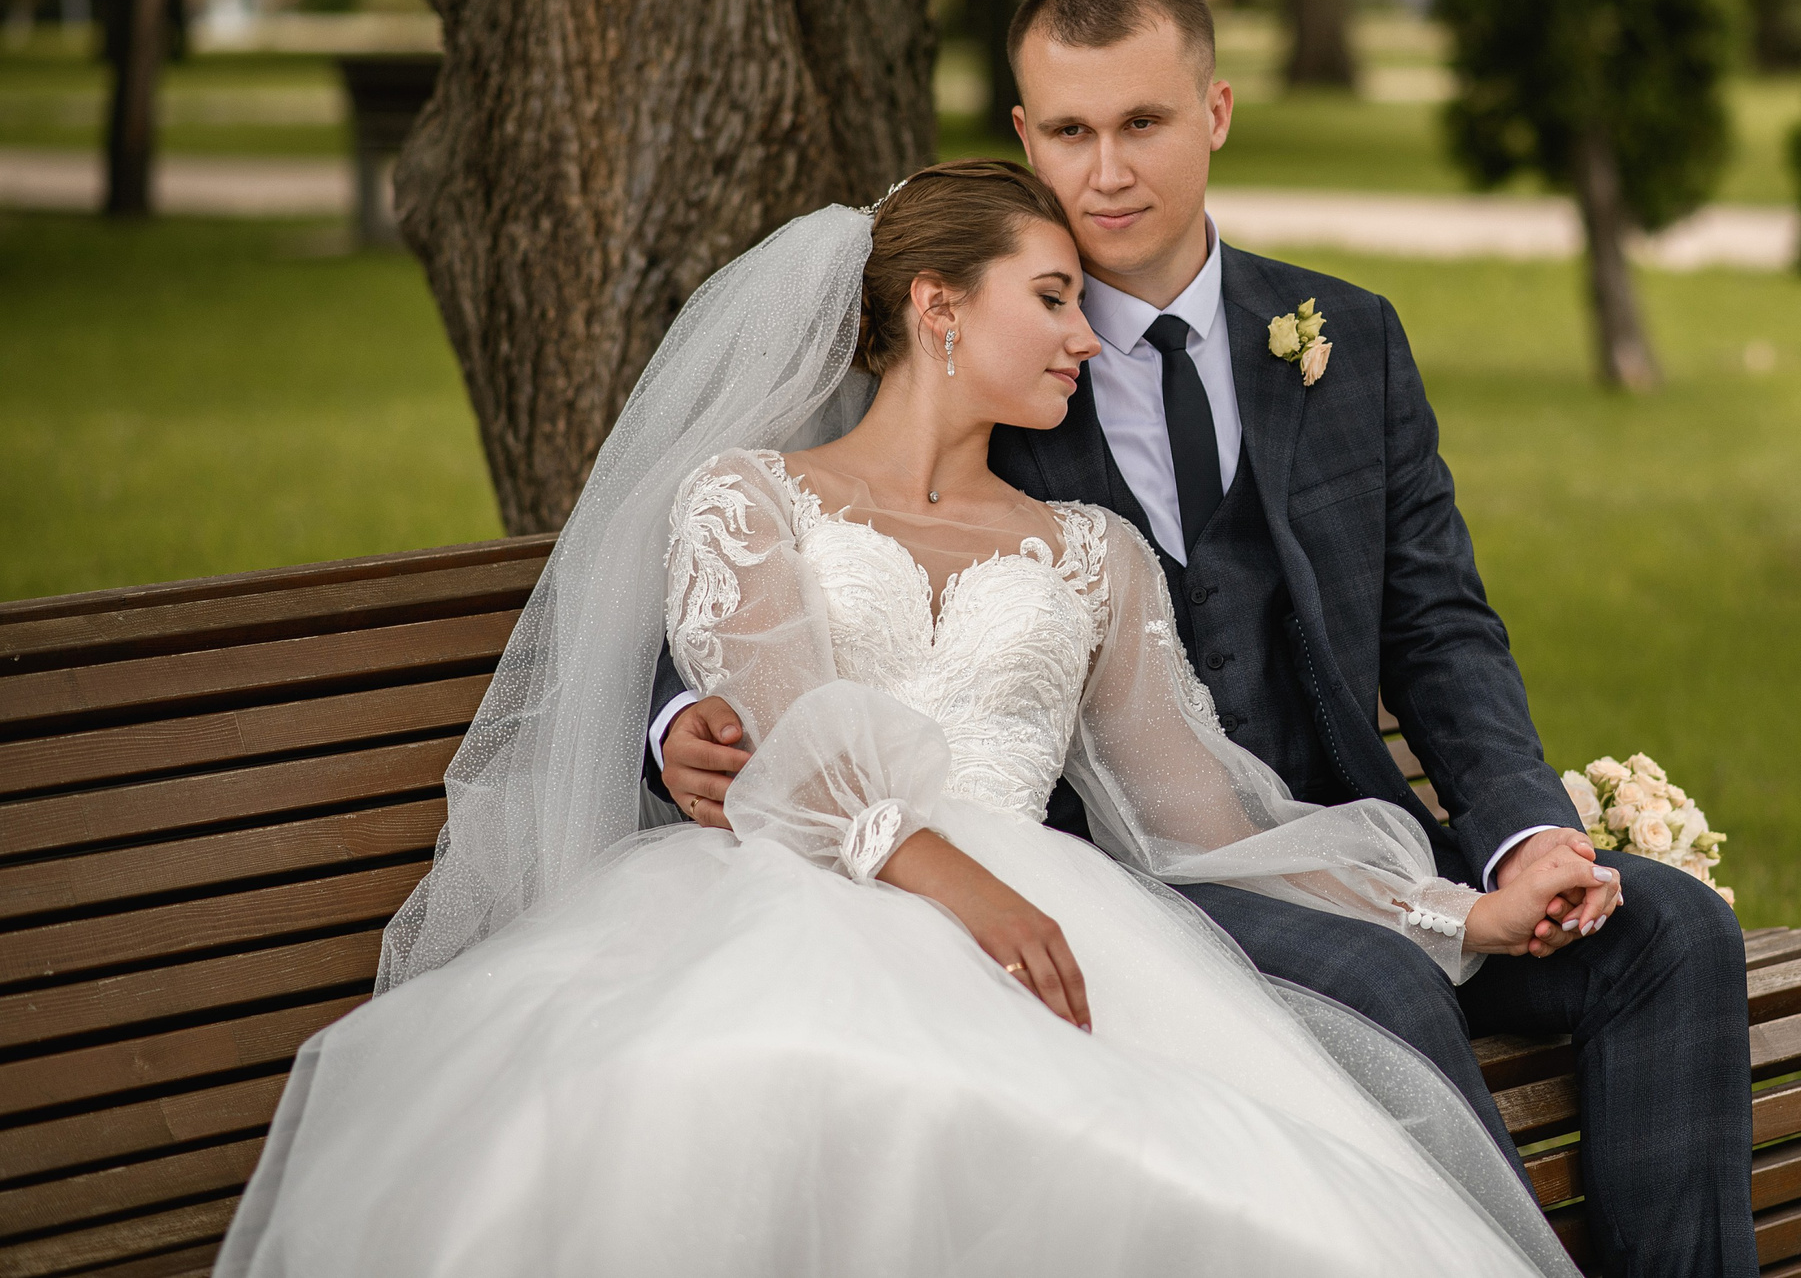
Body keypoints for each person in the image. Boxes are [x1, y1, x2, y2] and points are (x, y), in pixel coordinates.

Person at [217, 160, 1597, 1277]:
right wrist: (965, 891)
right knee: (758, 1093)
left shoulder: (1092, 555)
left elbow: (1207, 820)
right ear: (939, 307)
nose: (1085, 335)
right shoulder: (749, 500)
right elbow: (792, 747)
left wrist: (1456, 915)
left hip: (1054, 923)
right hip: (791, 906)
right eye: (1052, 299)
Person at [648, 0, 1761, 1277]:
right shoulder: (976, 324)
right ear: (1025, 136)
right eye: (1071, 132)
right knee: (1383, 987)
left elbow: (1442, 630)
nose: (1107, 171)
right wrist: (678, 722)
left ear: (1217, 112)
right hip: (1116, 880)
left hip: (1335, 842)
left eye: (1144, 123)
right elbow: (779, 576)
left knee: (1670, 931)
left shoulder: (1348, 336)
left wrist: (1524, 841)